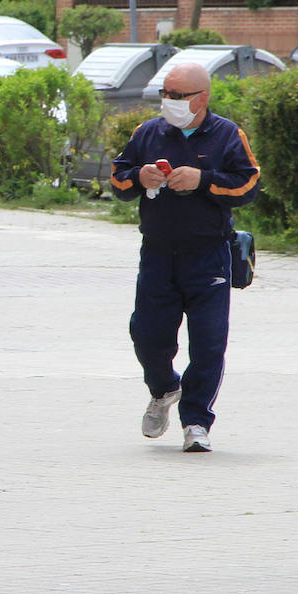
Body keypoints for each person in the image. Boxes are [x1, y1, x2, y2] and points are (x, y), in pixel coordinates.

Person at [110, 63, 259, 453]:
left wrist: (203, 179)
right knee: (146, 334)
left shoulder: (227, 134)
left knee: (209, 343)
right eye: (166, 93)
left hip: (208, 255)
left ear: (202, 98)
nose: (169, 102)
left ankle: (196, 421)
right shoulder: (148, 132)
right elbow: (118, 179)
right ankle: (163, 388)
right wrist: (139, 177)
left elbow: (248, 184)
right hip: (158, 253)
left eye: (178, 95)